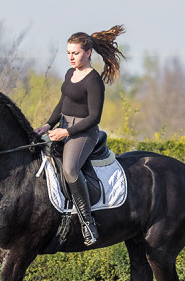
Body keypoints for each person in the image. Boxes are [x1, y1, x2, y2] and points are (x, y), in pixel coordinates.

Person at [35, 25, 125, 246]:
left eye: (75, 53)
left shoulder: (93, 80)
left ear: (88, 53)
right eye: (68, 53)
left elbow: (94, 117)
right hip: (63, 126)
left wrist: (67, 131)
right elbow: (63, 102)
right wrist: (47, 125)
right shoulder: (70, 73)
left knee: (69, 169)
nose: (71, 57)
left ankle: (88, 223)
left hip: (83, 132)